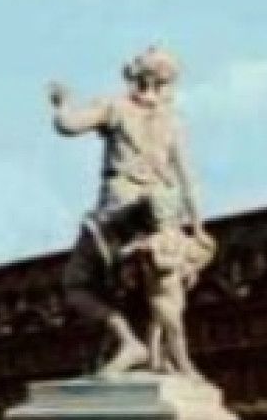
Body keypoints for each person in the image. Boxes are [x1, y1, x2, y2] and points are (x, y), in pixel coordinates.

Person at [49, 47, 212, 376]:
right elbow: (188, 177)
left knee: (77, 283)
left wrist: (61, 101)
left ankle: (127, 341)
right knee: (158, 290)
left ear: (137, 75)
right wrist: (197, 226)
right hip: (163, 214)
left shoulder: (115, 107)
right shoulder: (173, 121)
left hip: (119, 208)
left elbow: (67, 125)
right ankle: (164, 358)